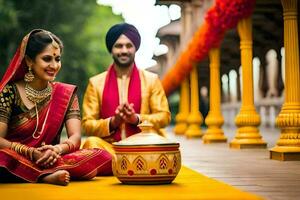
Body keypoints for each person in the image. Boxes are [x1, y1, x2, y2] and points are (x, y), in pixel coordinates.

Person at [0, 29, 112, 186]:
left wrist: (56, 150)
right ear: (29, 61)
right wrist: (31, 153)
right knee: (2, 158)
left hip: (52, 158)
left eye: (57, 59)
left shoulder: (65, 93)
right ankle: (44, 176)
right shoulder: (9, 91)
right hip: (15, 156)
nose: (54, 65)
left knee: (103, 156)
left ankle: (34, 173)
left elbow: (75, 138)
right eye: (47, 59)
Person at [82, 23, 170, 152]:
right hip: (111, 148)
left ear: (135, 48)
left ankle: (120, 164)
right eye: (118, 46)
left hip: (143, 145)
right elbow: (87, 124)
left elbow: (164, 117)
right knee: (91, 143)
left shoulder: (151, 80)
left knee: (160, 144)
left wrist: (137, 119)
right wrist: (113, 122)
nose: (124, 50)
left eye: (129, 46)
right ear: (111, 49)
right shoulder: (96, 83)